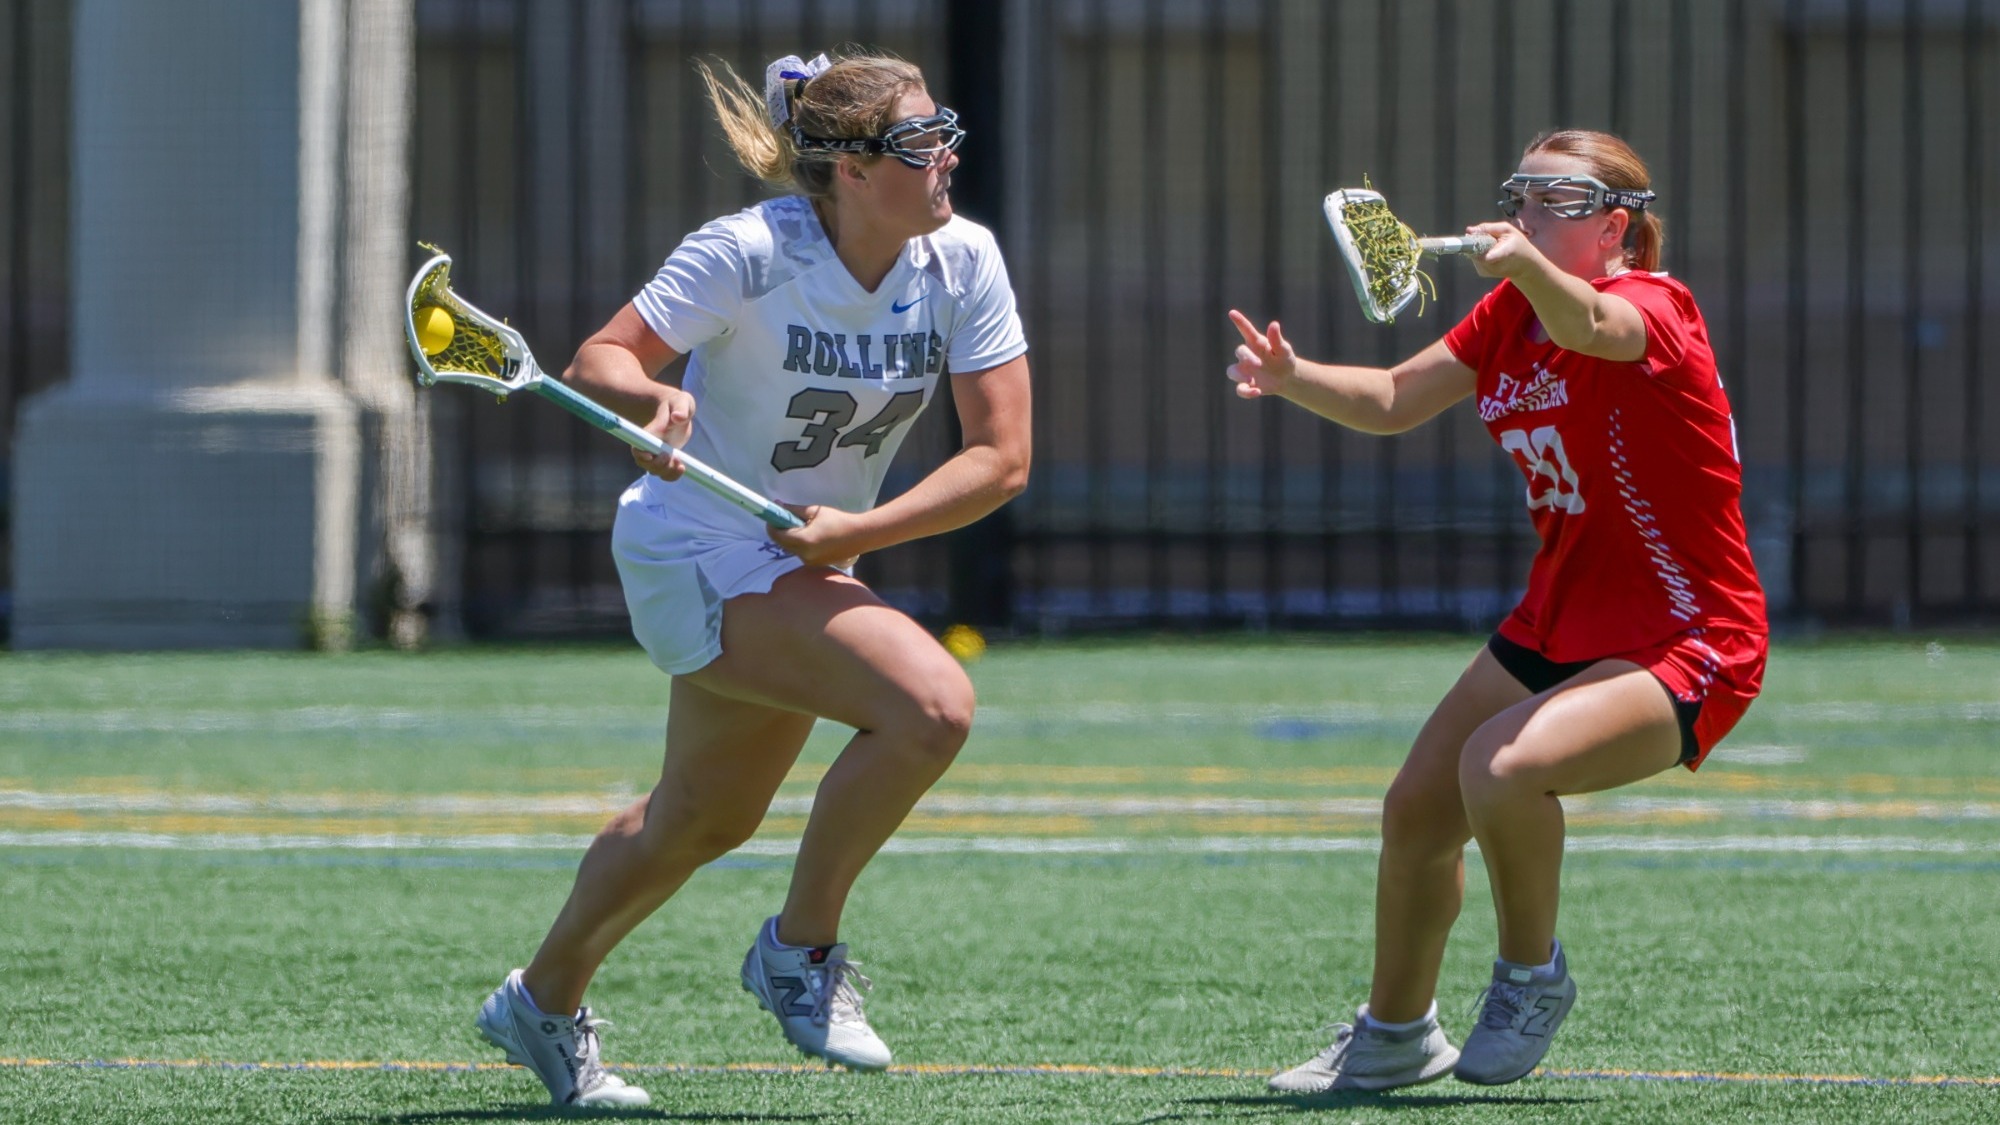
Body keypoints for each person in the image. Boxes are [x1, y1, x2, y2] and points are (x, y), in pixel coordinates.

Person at [473, 49, 1032, 1108]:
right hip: (696, 542)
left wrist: (859, 529)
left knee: (697, 819)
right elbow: (601, 357)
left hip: (805, 553)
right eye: (920, 141)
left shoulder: (963, 261)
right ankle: (799, 951)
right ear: (854, 171)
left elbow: (1000, 460)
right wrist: (649, 401)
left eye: (944, 129)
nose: (947, 154)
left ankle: (538, 1002)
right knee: (931, 706)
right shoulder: (745, 252)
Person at [1227, 130, 1767, 1092]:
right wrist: (1292, 377)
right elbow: (1395, 395)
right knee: (1418, 811)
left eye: (1559, 201)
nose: (1528, 214)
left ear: (1617, 229)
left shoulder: (1655, 302)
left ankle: (1530, 976)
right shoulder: (1508, 313)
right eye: (1524, 196)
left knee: (1505, 768)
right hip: (1558, 619)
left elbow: (1593, 333)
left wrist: (1526, 267)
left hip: (1688, 632)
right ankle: (1394, 1033)